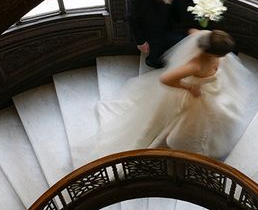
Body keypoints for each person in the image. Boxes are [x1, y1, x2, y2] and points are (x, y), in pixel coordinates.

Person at [90, 30, 248, 162]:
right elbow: (165, 79)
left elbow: (193, 32)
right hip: (195, 95)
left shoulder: (207, 37)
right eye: (223, 54)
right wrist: (190, 87)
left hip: (211, 89)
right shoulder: (196, 64)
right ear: (212, 52)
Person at [129, 0, 197, 68]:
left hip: (172, 25)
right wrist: (140, 41)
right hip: (153, 31)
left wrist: (200, 0)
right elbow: (133, 19)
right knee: (156, 51)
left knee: (177, 43)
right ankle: (152, 61)